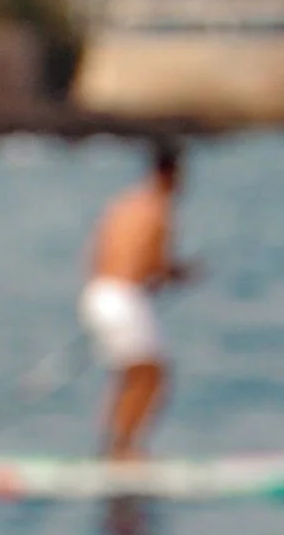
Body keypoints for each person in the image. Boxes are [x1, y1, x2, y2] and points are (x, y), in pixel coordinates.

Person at [80, 138, 197, 460]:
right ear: (173, 174)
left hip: (98, 293)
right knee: (152, 375)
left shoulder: (123, 203)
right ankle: (125, 451)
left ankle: (114, 448)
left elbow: (96, 253)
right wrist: (180, 275)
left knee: (131, 375)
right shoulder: (160, 209)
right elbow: (155, 265)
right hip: (124, 297)